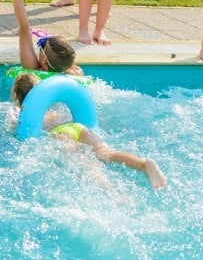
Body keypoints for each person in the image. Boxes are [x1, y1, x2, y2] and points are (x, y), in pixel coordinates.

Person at [9, 74, 167, 189]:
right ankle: (144, 164)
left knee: (86, 163)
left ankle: (112, 193)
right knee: (107, 153)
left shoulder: (17, 112)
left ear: (15, 94)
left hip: (60, 134)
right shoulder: (53, 112)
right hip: (76, 126)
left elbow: (14, 131)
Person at [8, 0, 82, 76]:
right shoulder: (77, 74)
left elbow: (24, 28)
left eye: (42, 44)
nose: (40, 46)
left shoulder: (34, 70)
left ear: (43, 61)